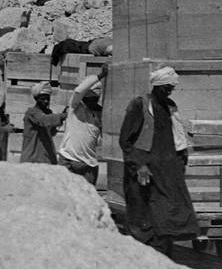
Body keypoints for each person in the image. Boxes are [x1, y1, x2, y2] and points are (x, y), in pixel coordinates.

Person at [118, 66, 199, 256]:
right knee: (141, 214)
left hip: (165, 172)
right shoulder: (139, 105)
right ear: (156, 86)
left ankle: (163, 259)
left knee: (166, 215)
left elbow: (177, 137)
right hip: (142, 173)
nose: (169, 92)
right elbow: (126, 141)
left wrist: (180, 161)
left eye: (171, 89)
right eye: (166, 88)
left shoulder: (170, 106)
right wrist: (140, 165)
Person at [57, 70, 105, 184]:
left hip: (89, 164)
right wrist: (100, 76)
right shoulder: (75, 107)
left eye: (94, 98)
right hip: (67, 160)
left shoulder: (101, 114)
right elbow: (78, 91)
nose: (91, 101)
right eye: (88, 98)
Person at [20, 82, 67, 164]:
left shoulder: (48, 113)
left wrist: (62, 118)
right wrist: (63, 115)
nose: (46, 101)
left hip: (46, 156)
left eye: (48, 99)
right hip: (32, 158)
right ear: (36, 99)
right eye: (42, 99)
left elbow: (51, 132)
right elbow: (43, 120)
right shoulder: (31, 112)